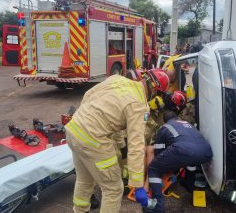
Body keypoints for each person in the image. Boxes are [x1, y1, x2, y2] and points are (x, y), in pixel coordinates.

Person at [65, 69, 170, 213]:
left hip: (74, 129)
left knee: (85, 180)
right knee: (113, 189)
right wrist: (138, 185)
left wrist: (121, 145)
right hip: (93, 139)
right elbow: (136, 145)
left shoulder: (117, 80)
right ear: (155, 91)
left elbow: (89, 95)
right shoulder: (139, 105)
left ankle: (79, 210)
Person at [145, 111, 212, 213]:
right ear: (176, 118)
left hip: (182, 150)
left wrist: (167, 168)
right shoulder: (188, 124)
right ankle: (189, 186)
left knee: (154, 168)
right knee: (191, 162)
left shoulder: (165, 128)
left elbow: (159, 153)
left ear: (165, 121)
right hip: (206, 152)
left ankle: (157, 207)